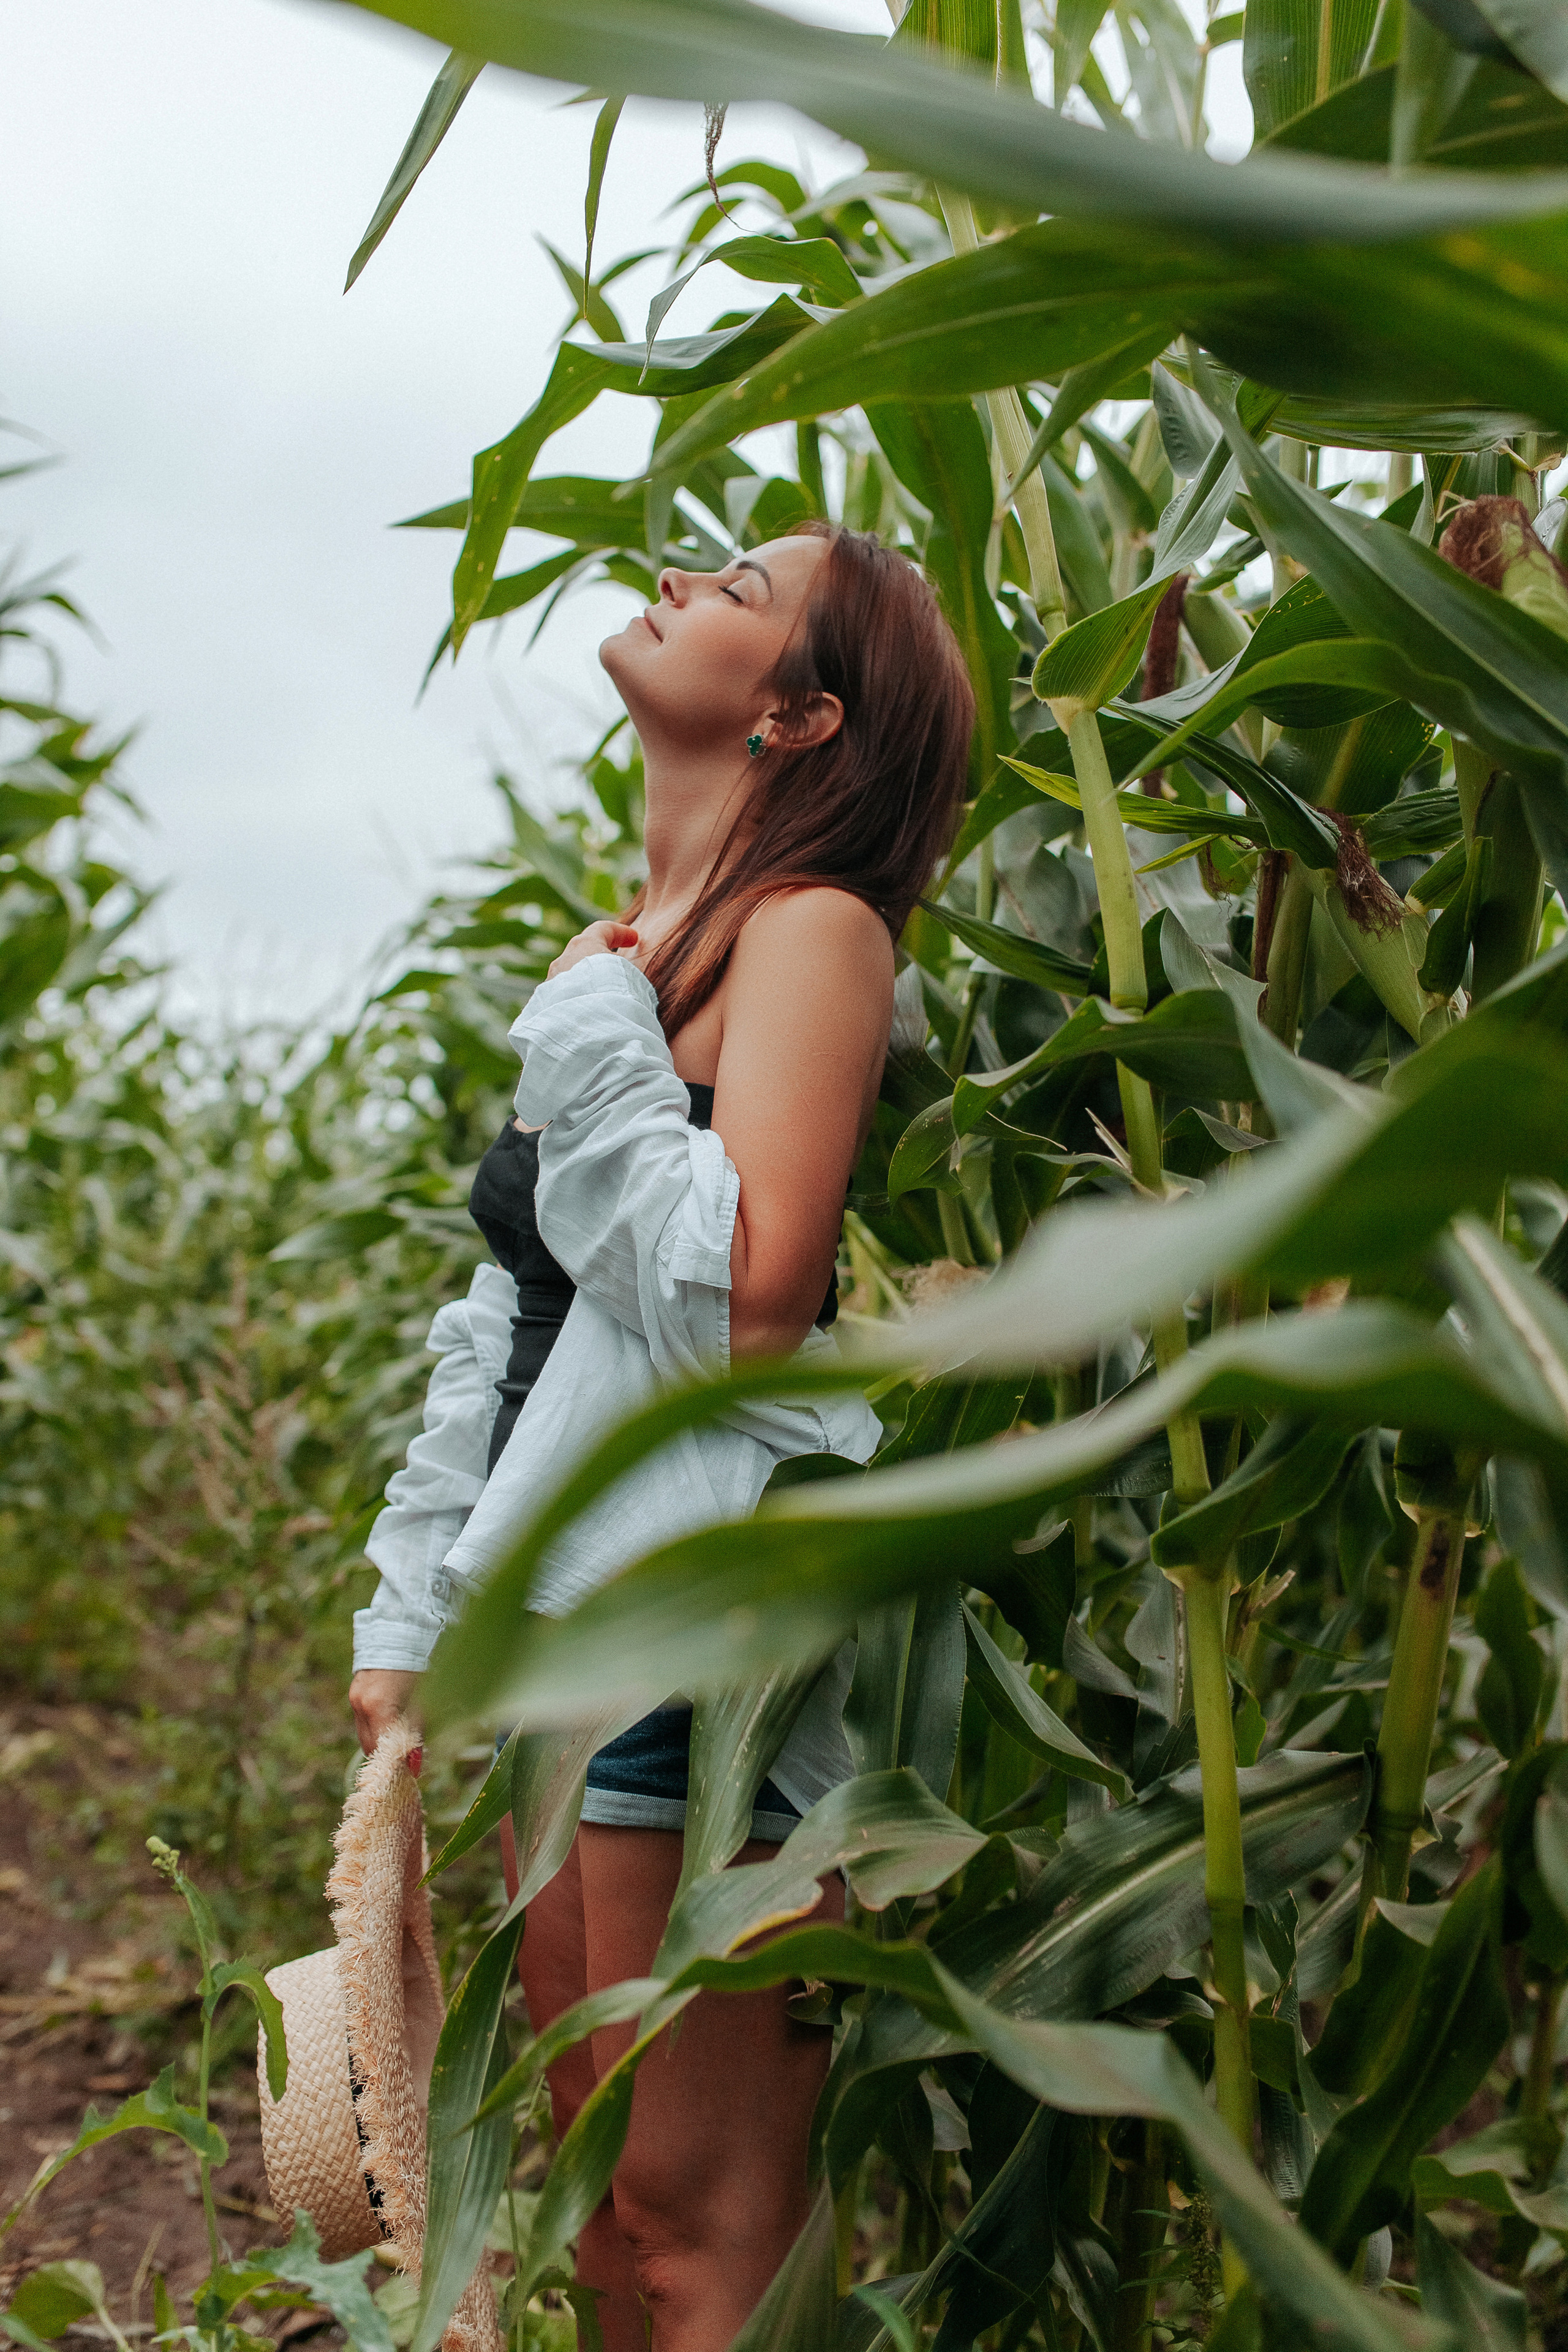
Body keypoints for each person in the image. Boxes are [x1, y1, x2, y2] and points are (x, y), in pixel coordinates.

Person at [347, 522, 974, 2351]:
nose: (680, 578)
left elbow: (745, 1299)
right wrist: (413, 1608)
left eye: (741, 588)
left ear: (798, 715)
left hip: (698, 1644)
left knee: (704, 2235)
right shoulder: (630, 957)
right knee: (602, 2212)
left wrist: (604, 1021)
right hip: (571, 1635)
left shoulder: (811, 935)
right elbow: (522, 1318)